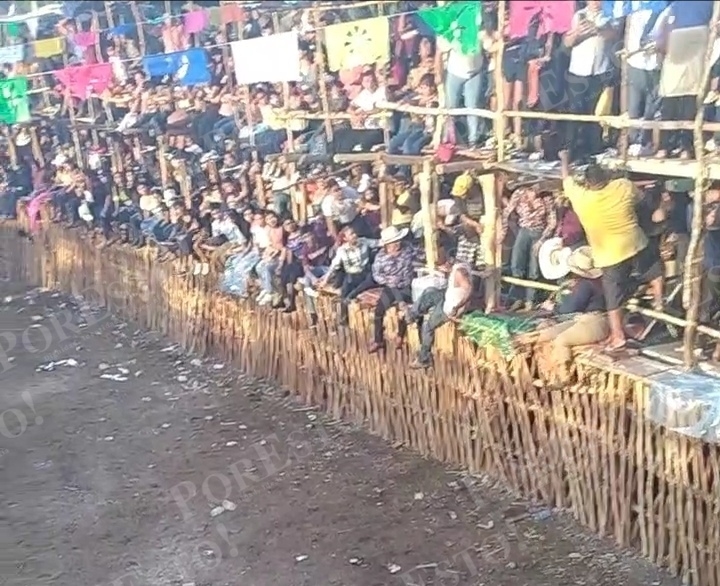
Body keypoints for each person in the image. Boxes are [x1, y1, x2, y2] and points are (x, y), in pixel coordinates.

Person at [559, 150, 663, 352]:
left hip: (609, 254)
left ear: (588, 183)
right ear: (606, 177)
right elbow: (641, 200)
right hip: (634, 243)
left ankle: (617, 335)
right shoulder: (623, 186)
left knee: (613, 296)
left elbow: (566, 178)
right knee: (653, 268)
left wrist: (564, 159)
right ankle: (659, 301)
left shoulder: (581, 197)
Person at [407, 261, 474, 369]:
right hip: (448, 298)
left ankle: (424, 358)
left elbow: (469, 290)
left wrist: (457, 307)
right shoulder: (458, 270)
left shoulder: (460, 272)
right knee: (430, 291)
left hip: (450, 308)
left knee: (428, 327)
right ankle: (413, 314)